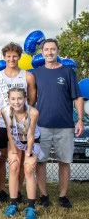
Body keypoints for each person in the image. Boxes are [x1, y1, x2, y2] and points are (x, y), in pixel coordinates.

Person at [33, 38, 84, 209]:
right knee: (40, 162)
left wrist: (79, 120)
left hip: (65, 126)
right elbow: (30, 99)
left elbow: (77, 97)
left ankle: (63, 196)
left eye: (52, 49)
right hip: (42, 126)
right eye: (46, 50)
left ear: (58, 51)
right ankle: (43, 195)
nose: (49, 52)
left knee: (64, 162)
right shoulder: (36, 73)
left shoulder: (68, 72)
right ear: (42, 53)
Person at [0, 42, 36, 202]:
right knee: (2, 159)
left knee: (20, 159)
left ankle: (18, 190)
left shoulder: (27, 76)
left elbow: (32, 98)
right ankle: (2, 189)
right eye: (8, 56)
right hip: (2, 125)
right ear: (4, 57)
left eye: (14, 56)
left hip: (22, 124)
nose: (11, 59)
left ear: (19, 57)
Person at [2, 87, 43, 219]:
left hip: (31, 142)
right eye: (13, 98)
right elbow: (9, 132)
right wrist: (14, 151)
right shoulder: (5, 110)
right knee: (14, 166)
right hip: (15, 140)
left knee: (28, 169)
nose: (16, 101)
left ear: (25, 99)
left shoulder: (33, 112)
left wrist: (28, 155)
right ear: (8, 99)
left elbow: (31, 135)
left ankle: (31, 207)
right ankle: (13, 204)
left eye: (20, 98)